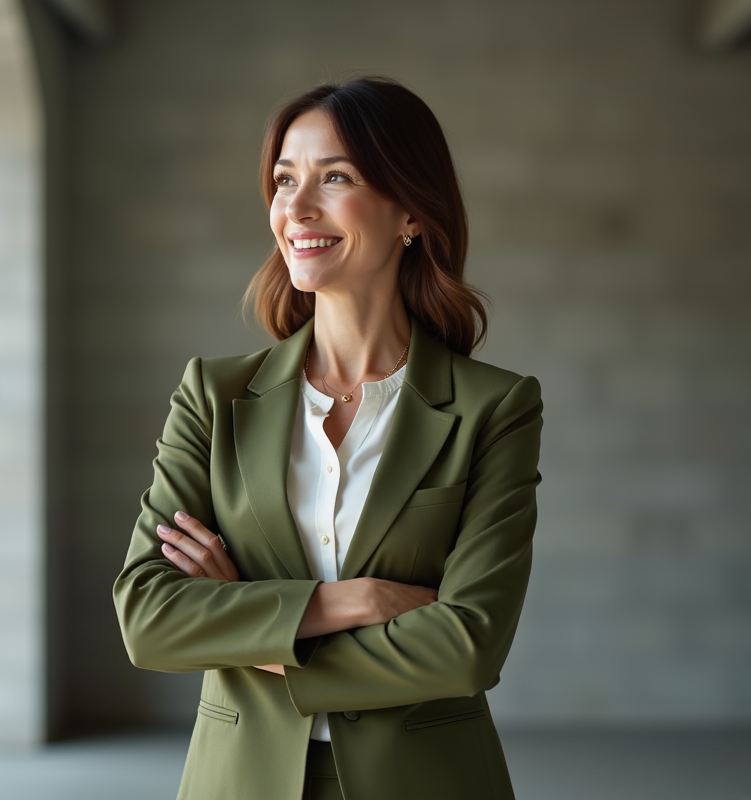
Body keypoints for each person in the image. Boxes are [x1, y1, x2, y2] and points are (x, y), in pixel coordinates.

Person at [113, 76, 543, 800]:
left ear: (411, 211)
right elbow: (149, 619)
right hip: (239, 780)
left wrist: (252, 617)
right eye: (285, 180)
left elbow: (467, 646)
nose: (296, 209)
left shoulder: (493, 406)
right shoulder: (214, 396)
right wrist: (355, 601)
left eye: (334, 177)